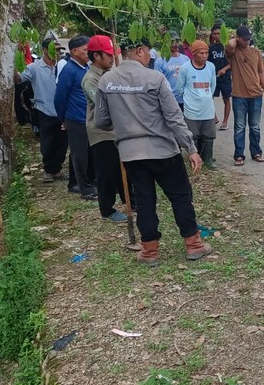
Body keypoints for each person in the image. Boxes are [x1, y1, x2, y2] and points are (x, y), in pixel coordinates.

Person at [94, 37, 211, 265]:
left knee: (144, 200)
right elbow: (174, 117)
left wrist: (124, 124)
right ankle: (194, 245)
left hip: (131, 154)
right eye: (149, 52)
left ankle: (149, 251)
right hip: (163, 150)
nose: (151, 57)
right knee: (180, 197)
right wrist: (191, 148)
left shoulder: (106, 81)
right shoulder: (155, 78)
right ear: (139, 51)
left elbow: (101, 121)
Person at [82, 35, 130, 223]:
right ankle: (107, 210)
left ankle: (130, 201)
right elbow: (103, 104)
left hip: (116, 130)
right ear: (96, 56)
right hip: (101, 133)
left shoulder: (109, 75)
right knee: (106, 172)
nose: (112, 58)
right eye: (108, 55)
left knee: (122, 169)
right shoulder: (90, 79)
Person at [15, 38, 67, 183]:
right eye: (54, 49)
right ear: (44, 50)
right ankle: (48, 170)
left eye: (58, 50)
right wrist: (14, 63)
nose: (57, 52)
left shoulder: (62, 67)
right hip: (44, 110)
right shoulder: (34, 67)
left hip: (62, 112)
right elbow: (19, 79)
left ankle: (57, 169)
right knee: (47, 143)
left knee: (62, 142)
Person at [55, 35, 97, 200]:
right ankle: (84, 188)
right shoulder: (69, 70)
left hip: (88, 118)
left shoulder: (85, 68)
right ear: (74, 51)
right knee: (80, 155)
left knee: (89, 153)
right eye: (85, 50)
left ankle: (90, 181)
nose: (89, 53)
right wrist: (64, 119)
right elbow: (59, 97)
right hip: (76, 119)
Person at [226, 25, 264, 166]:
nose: (247, 41)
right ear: (238, 38)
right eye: (244, 39)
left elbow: (261, 74)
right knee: (239, 127)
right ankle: (239, 155)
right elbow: (229, 46)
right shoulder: (233, 53)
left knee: (255, 126)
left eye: (249, 39)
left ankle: (256, 152)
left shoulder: (256, 53)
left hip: (256, 95)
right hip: (239, 96)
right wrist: (235, 39)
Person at [179, 40, 217, 169]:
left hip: (207, 108)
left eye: (206, 53)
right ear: (194, 54)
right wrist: (190, 99)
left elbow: (212, 86)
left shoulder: (211, 67)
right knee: (193, 135)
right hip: (191, 108)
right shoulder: (185, 68)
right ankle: (195, 160)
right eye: (201, 53)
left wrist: (205, 97)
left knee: (208, 135)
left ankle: (208, 159)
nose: (204, 56)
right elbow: (180, 88)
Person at [154, 33, 189, 111]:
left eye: (177, 41)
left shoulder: (186, 59)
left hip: (185, 99)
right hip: (169, 100)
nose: (175, 44)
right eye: (172, 41)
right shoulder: (160, 61)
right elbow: (157, 82)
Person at [209, 25, 232, 130]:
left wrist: (225, 69)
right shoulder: (210, 48)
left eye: (218, 33)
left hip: (225, 78)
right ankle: (214, 117)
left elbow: (233, 62)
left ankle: (225, 121)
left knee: (226, 99)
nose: (217, 36)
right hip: (214, 77)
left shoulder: (227, 47)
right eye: (214, 34)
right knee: (210, 98)